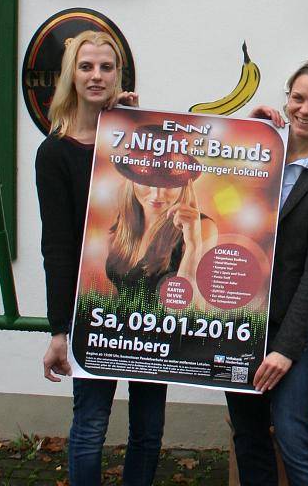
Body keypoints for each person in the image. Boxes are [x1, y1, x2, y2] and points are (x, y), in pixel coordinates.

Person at [36, 30, 166, 485]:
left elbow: (203, 156)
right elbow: (56, 245)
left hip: (151, 307)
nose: (96, 76)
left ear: (119, 75)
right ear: (71, 75)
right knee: (90, 427)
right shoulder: (54, 153)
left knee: (148, 431)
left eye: (105, 67)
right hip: (92, 310)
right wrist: (59, 328)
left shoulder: (139, 139)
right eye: (86, 66)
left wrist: (135, 122)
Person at [224, 58, 308, 485]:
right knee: (248, 438)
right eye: (297, 98)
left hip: (291, 329)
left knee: (296, 440)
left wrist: (285, 349)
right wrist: (245, 133)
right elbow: (213, 187)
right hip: (238, 320)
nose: (305, 109)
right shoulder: (257, 151)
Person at [107, 129, 217, 309]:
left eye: (168, 183)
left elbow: (195, 312)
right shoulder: (123, 224)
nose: (157, 195)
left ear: (183, 185)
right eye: (147, 181)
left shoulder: (202, 227)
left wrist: (193, 245)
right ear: (132, 180)